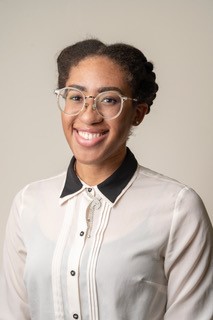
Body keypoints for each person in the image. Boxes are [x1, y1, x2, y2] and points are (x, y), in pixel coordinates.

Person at [0, 39, 212, 320]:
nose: (88, 115)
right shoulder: (28, 203)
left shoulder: (178, 208)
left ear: (138, 113)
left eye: (109, 99)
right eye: (76, 96)